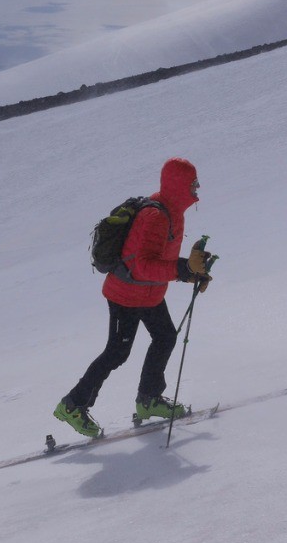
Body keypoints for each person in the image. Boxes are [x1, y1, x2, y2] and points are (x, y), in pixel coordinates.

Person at [54, 157, 213, 438]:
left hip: (149, 293)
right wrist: (183, 268)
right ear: (178, 185)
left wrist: (192, 273)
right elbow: (141, 265)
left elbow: (159, 259)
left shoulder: (174, 213)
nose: (197, 189)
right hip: (126, 294)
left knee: (165, 337)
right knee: (117, 352)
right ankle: (73, 404)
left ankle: (148, 399)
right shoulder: (156, 216)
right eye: (193, 183)